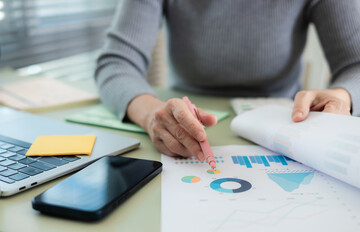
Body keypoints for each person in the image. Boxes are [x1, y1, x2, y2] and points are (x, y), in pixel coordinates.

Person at [95, 0, 360, 162]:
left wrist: (343, 95)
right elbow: (116, 63)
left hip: (284, 123)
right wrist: (151, 113)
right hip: (183, 118)